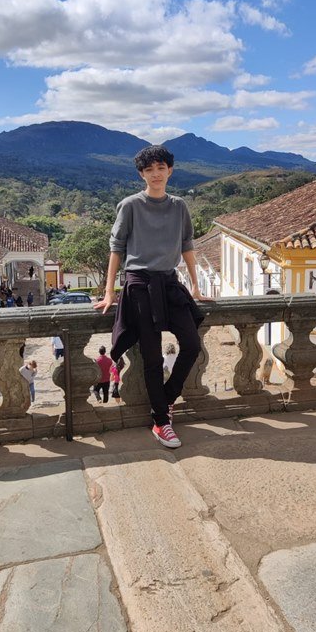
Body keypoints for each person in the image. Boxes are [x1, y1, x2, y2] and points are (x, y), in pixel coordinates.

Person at [94, 144, 212, 448]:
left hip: (169, 283)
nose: (156, 174)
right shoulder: (130, 205)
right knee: (151, 356)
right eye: (149, 170)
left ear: (170, 170)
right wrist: (109, 292)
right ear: (141, 174)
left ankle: (166, 399)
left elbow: (187, 245)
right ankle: (161, 422)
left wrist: (196, 287)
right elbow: (116, 248)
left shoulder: (179, 206)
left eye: (161, 168)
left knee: (191, 343)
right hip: (139, 284)